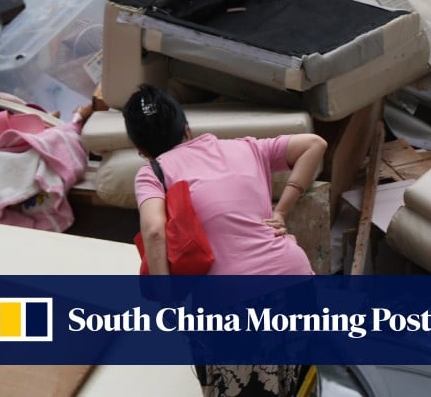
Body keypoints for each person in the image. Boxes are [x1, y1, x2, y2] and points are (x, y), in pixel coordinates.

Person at [122, 83, 328, 397]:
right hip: (294, 280)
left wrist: (167, 300)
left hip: (230, 302)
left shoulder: (153, 172)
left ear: (141, 150)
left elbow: (153, 231)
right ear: (187, 129)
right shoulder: (247, 147)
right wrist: (282, 210)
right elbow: (314, 144)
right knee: (308, 386)